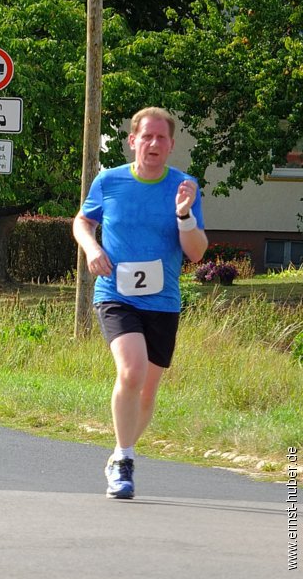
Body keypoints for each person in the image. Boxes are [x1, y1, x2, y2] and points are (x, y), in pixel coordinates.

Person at [73, 107, 208, 499]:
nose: (153, 144)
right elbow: (82, 221)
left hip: (163, 301)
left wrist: (184, 215)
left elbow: (196, 252)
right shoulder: (109, 181)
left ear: (171, 145)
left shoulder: (184, 186)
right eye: (145, 137)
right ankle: (124, 460)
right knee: (130, 372)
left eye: (160, 138)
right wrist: (91, 248)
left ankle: (120, 450)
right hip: (116, 294)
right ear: (132, 141)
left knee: (147, 390)